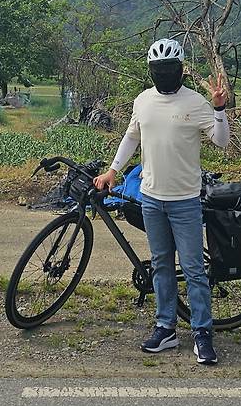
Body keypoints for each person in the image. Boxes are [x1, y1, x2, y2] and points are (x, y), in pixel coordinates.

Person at [94, 38, 230, 365]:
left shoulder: (196, 102)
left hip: (185, 200)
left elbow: (222, 141)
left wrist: (219, 109)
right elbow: (131, 136)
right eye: (158, 68)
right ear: (152, 71)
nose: (164, 73)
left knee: (195, 271)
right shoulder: (143, 101)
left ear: (180, 70)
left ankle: (202, 333)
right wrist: (114, 170)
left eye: (169, 68)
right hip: (152, 199)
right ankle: (165, 327)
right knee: (161, 266)